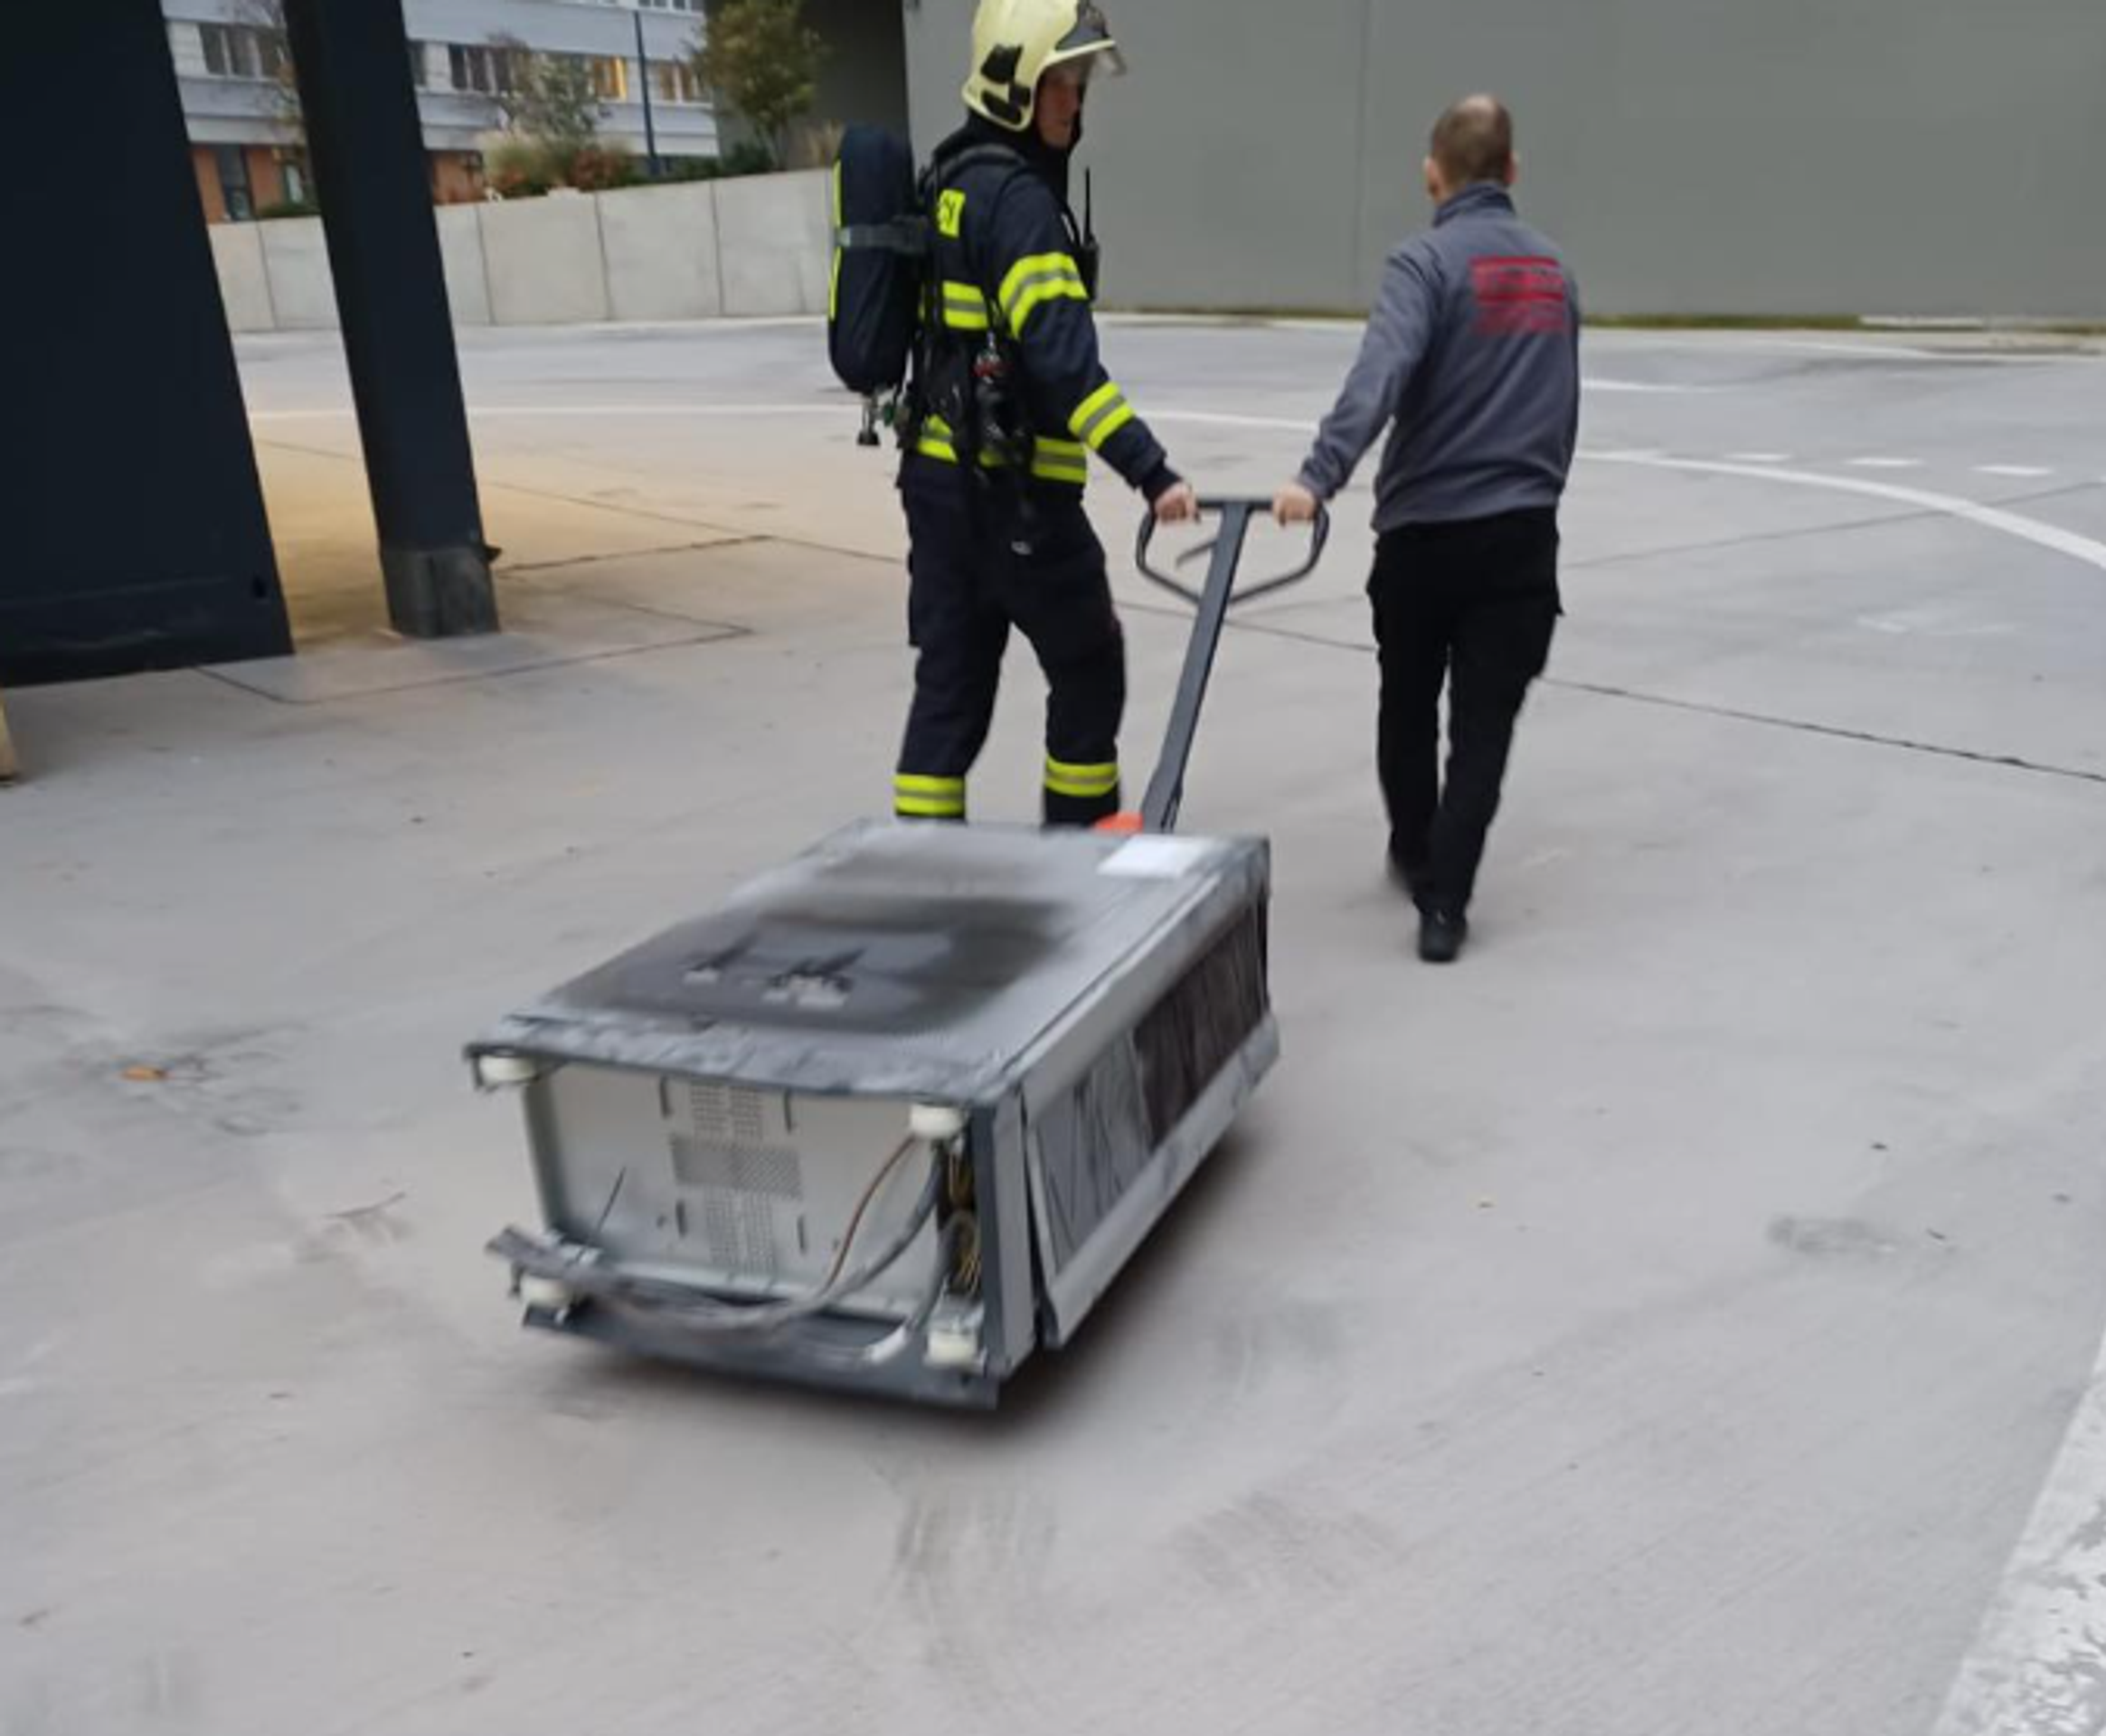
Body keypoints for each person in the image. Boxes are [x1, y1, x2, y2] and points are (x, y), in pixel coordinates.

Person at [1277, 95, 1581, 964]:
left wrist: (1317, 476)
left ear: (1431, 173)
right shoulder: (1555, 274)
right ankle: (1444, 906)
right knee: (1483, 727)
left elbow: (1380, 374)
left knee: (1406, 701)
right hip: (1521, 535)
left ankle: (1414, 850)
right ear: (1513, 172)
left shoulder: (1423, 264)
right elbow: (1564, 403)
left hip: (1421, 537)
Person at [892, 0, 1197, 829]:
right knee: (1089, 666)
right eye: (1061, 82)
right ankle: (1078, 855)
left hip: (935, 484)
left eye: (1078, 82)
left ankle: (921, 875)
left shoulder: (946, 183)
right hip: (1015, 497)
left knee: (950, 688)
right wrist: (1151, 469)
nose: (1075, 101)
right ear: (1012, 86)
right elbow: (1064, 365)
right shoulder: (1021, 206)